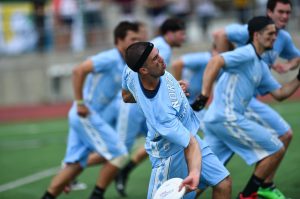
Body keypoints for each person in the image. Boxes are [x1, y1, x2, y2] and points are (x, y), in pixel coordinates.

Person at [193, 16, 300, 199]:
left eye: (275, 34)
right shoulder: (247, 53)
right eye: (270, 33)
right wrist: (204, 95)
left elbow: (280, 94)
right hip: (226, 118)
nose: (275, 38)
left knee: (209, 177)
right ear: (256, 35)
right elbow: (215, 61)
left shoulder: (261, 65)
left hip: (217, 120)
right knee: (276, 147)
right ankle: (248, 194)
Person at [40, 21, 140, 199]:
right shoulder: (109, 58)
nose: (136, 42)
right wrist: (80, 103)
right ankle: (97, 195)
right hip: (85, 114)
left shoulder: (125, 63)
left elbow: (125, 95)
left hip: (87, 117)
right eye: (132, 39)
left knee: (74, 164)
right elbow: (79, 70)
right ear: (119, 40)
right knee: (120, 153)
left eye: (138, 39)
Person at [122, 41, 232, 199]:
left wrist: (173, 91)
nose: (161, 59)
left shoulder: (130, 70)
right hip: (169, 155)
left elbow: (126, 96)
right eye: (155, 59)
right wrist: (194, 172)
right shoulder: (161, 114)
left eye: (158, 53)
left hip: (188, 135)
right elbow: (190, 143)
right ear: (143, 70)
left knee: (223, 183)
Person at [114, 17, 187, 196]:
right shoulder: (160, 49)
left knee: (155, 138)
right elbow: (149, 81)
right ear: (169, 33)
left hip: (144, 105)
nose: (184, 37)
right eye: (181, 33)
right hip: (137, 110)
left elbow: (159, 81)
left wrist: (174, 87)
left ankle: (126, 170)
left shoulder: (157, 47)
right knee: (118, 150)